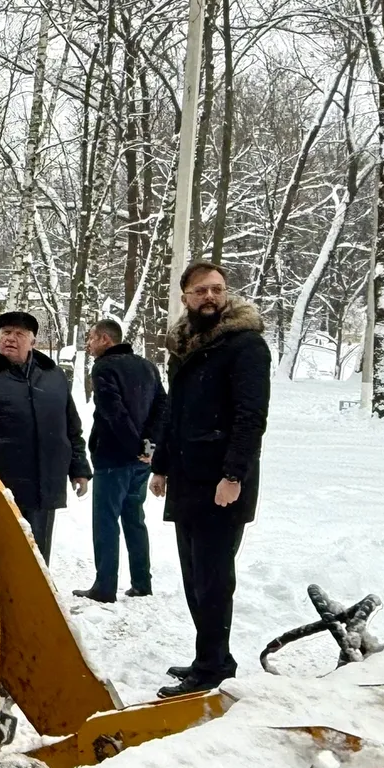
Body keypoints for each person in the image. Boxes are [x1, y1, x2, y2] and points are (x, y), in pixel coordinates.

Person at [151, 261, 271, 698]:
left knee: (214, 579)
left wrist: (233, 474)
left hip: (222, 484)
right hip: (187, 477)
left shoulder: (245, 346)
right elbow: (175, 412)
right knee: (194, 577)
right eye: (200, 290)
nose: (210, 297)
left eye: (217, 289)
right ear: (185, 296)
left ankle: (213, 669)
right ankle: (211, 657)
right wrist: (161, 465)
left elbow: (250, 417)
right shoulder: (185, 344)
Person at [0, 310, 91, 559]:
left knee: (38, 557)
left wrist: (79, 469)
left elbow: (71, 427)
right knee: (2, 559)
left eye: (19, 334)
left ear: (33, 341)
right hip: (0, 488)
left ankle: (38, 599)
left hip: (44, 485)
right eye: (6, 332)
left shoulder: (54, 377)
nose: (11, 338)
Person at [75, 318, 166, 603]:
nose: (88, 345)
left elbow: (113, 411)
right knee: (134, 518)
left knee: (106, 521)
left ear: (105, 339)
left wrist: (134, 445)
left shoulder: (103, 367)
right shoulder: (148, 366)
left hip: (114, 457)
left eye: (91, 338)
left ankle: (104, 587)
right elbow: (162, 406)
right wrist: (148, 445)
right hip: (142, 461)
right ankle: (142, 582)